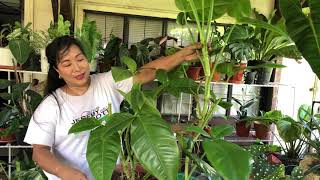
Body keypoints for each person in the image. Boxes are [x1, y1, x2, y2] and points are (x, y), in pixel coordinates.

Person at [24, 35, 201, 180]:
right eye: (67, 64)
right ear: (57, 71)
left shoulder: (107, 82)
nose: (77, 68)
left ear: (88, 60)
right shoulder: (51, 106)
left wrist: (182, 56)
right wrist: (65, 172)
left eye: (80, 59)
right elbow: (39, 151)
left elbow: (148, 71)